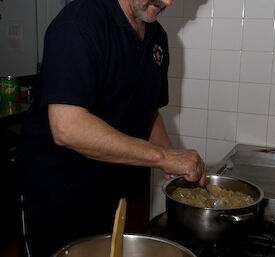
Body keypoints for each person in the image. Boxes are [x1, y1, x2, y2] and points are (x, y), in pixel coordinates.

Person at [16, 0, 206, 256]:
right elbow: (67, 127)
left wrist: (176, 167)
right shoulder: (79, 23)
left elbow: (147, 111)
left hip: (109, 190)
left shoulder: (156, 36)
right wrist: (162, 157)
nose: (168, 1)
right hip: (56, 195)